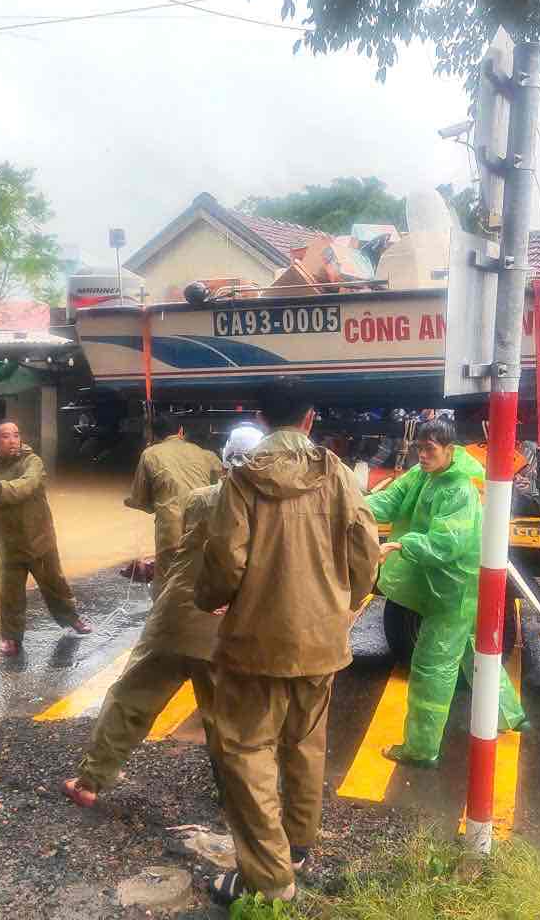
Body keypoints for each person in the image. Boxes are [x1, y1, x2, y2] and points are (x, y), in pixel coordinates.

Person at [197, 387, 379, 907]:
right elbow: (366, 553)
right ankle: (298, 844)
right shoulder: (339, 474)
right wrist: (346, 602)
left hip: (255, 642)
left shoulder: (242, 478)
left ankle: (269, 880)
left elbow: (225, 563)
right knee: (305, 742)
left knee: (246, 751)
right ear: (309, 418)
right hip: (322, 640)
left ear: (259, 417)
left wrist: (207, 598)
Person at [62, 424, 265, 808]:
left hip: (174, 620)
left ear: (225, 459)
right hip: (227, 629)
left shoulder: (199, 500)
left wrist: (155, 566)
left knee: (130, 699)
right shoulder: (271, 513)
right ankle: (237, 799)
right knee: (229, 724)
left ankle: (90, 781)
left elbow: (187, 551)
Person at [365, 418, 526, 770]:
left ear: (449, 450)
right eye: (420, 448)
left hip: (454, 587)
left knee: (431, 666)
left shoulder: (460, 487)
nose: (422, 455)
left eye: (430, 450)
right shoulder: (425, 473)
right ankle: (509, 713)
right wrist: (354, 507)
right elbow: (392, 500)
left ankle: (420, 749)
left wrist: (399, 544)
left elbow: (446, 544)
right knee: (473, 649)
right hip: (447, 584)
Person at [0, 420, 91, 657]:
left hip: (39, 540)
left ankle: (72, 619)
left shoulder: (32, 462)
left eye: (16, 435)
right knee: (10, 593)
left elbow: (28, 484)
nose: (13, 440)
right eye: (6, 436)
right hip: (7, 544)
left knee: (54, 584)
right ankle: (11, 638)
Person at [126, 414, 223, 601]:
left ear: (152, 434)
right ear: (180, 431)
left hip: (171, 527)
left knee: (167, 583)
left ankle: (165, 624)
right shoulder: (205, 454)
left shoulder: (150, 454)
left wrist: (130, 502)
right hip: (204, 524)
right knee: (198, 575)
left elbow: (141, 501)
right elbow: (220, 490)